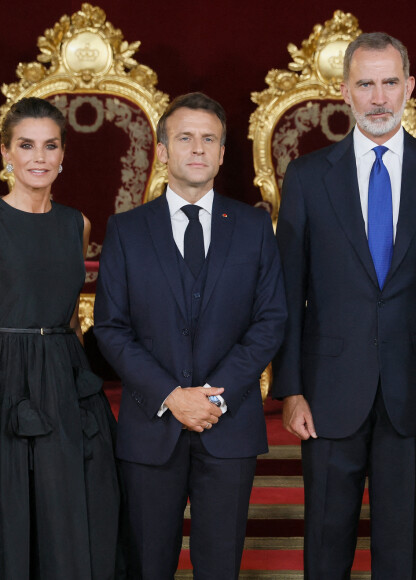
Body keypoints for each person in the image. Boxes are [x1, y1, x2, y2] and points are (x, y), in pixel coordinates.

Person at [272, 32, 416, 578]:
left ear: (409, 87)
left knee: (400, 551)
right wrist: (290, 388)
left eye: (390, 82)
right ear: (344, 91)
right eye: (366, 84)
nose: (379, 97)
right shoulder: (309, 177)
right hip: (327, 393)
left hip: (414, 396)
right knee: (325, 545)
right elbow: (288, 289)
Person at [93, 92, 287, 580]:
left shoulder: (253, 227)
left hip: (230, 427)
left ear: (222, 153)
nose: (197, 149)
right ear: (163, 150)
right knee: (147, 565)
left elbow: (270, 321)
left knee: (220, 566)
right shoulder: (127, 230)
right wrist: (171, 397)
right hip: (150, 429)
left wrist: (213, 400)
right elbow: (111, 328)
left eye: (209, 139)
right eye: (184, 138)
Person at [0, 97, 121, 579]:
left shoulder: (78, 223)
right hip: (6, 373)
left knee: (70, 504)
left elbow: (71, 317)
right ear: (5, 153)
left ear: (63, 155)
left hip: (64, 373)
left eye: (50, 146)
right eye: (26, 145)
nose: (38, 157)